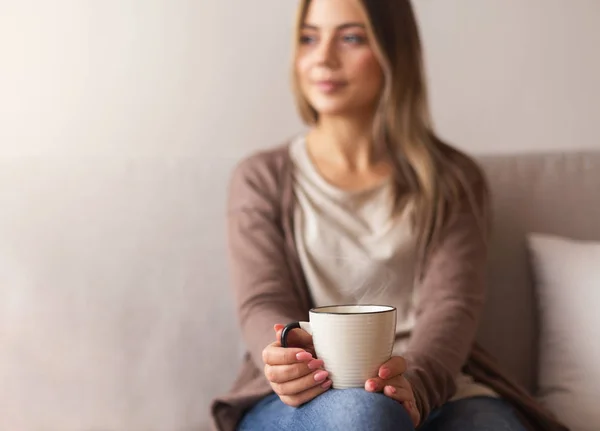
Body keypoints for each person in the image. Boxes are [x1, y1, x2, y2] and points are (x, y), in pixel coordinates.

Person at [211, 0, 568, 430]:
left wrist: (413, 385)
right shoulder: (261, 178)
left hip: (436, 386)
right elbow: (262, 301)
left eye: (350, 37)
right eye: (309, 37)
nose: (322, 57)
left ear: (393, 51)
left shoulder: (454, 181)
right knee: (365, 414)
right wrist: (290, 353)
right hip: (308, 397)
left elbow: (452, 310)